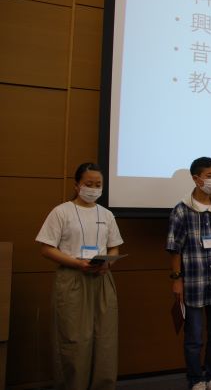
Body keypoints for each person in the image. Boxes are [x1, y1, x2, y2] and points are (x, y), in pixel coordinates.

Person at [36, 162, 124, 390]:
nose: (93, 189)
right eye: (89, 184)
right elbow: (46, 248)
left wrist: (109, 262)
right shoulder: (61, 211)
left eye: (98, 185)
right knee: (74, 338)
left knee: (104, 338)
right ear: (77, 185)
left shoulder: (106, 214)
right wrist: (76, 262)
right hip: (72, 278)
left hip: (101, 278)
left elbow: (114, 247)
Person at [166, 157, 211, 390]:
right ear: (196, 179)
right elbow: (174, 249)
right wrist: (177, 280)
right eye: (209, 176)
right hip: (193, 284)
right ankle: (196, 379)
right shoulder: (182, 210)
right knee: (194, 338)